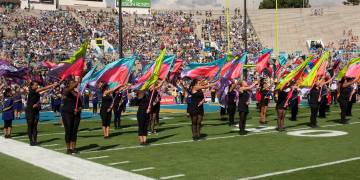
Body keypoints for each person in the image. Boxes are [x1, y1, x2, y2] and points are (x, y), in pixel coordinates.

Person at [26, 82, 57, 146]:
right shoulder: (32, 91)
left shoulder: (36, 91)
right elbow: (43, 89)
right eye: (35, 85)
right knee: (30, 126)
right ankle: (31, 141)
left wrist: (51, 88)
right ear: (32, 86)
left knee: (35, 126)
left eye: (37, 85)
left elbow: (43, 91)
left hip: (36, 110)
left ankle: (35, 140)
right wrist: (52, 85)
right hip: (30, 110)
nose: (37, 86)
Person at [61, 80, 82, 154]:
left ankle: (74, 148)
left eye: (74, 82)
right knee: (68, 130)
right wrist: (78, 82)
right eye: (72, 83)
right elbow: (68, 90)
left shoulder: (77, 93)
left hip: (76, 115)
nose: (74, 84)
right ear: (69, 84)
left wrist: (78, 109)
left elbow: (80, 106)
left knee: (74, 131)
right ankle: (68, 148)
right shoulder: (66, 91)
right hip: (67, 114)